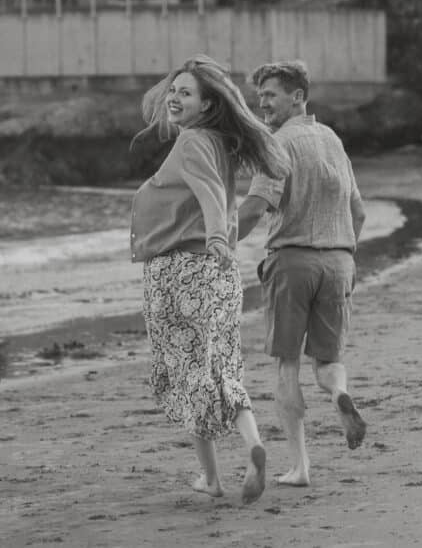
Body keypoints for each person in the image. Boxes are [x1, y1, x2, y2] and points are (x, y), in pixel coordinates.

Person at [129, 54, 288, 504]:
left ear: (206, 105)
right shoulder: (217, 142)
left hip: (180, 271)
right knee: (221, 368)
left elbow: (211, 196)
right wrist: (222, 246)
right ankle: (253, 442)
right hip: (217, 274)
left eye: (187, 93)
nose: (176, 98)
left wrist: (217, 236)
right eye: (174, 90)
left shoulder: (194, 143)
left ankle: (213, 479)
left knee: (187, 373)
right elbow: (217, 193)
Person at [237, 59, 368, 488]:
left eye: (270, 95)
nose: (263, 105)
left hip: (292, 261)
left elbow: (256, 206)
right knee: (328, 360)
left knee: (286, 365)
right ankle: (340, 394)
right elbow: (358, 210)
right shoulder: (333, 139)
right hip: (339, 259)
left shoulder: (276, 144)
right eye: (260, 97)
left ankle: (300, 467)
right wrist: (346, 255)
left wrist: (218, 243)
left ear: (297, 96)